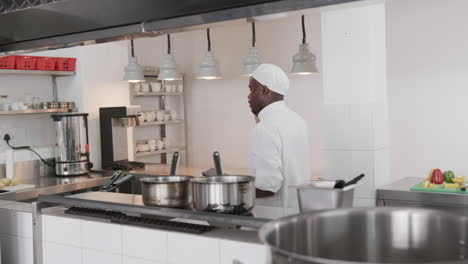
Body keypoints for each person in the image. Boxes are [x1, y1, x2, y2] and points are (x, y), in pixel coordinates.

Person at [248, 64, 311, 207]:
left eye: (251, 89)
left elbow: (268, 187)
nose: (248, 96)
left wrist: (233, 187)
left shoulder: (265, 128)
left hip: (273, 216)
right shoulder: (298, 120)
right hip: (297, 211)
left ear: (264, 90)